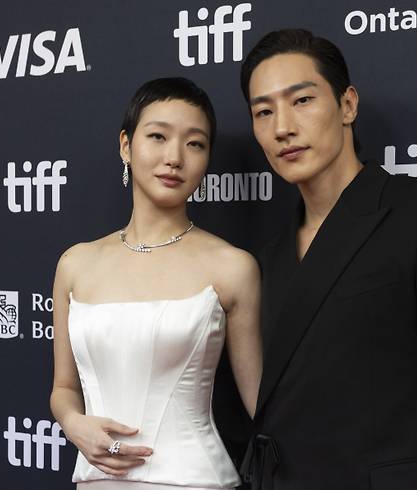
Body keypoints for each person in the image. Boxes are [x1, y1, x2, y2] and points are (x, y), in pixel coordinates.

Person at [238, 29, 417, 489]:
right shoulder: (266, 259)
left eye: (302, 100)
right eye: (263, 111)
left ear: (347, 105)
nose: (282, 126)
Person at [50, 77, 262, 490]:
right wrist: (76, 426)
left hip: (195, 480)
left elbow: (262, 404)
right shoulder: (74, 264)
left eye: (194, 144)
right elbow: (62, 387)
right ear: (126, 146)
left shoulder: (232, 267)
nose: (174, 157)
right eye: (158, 136)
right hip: (96, 480)